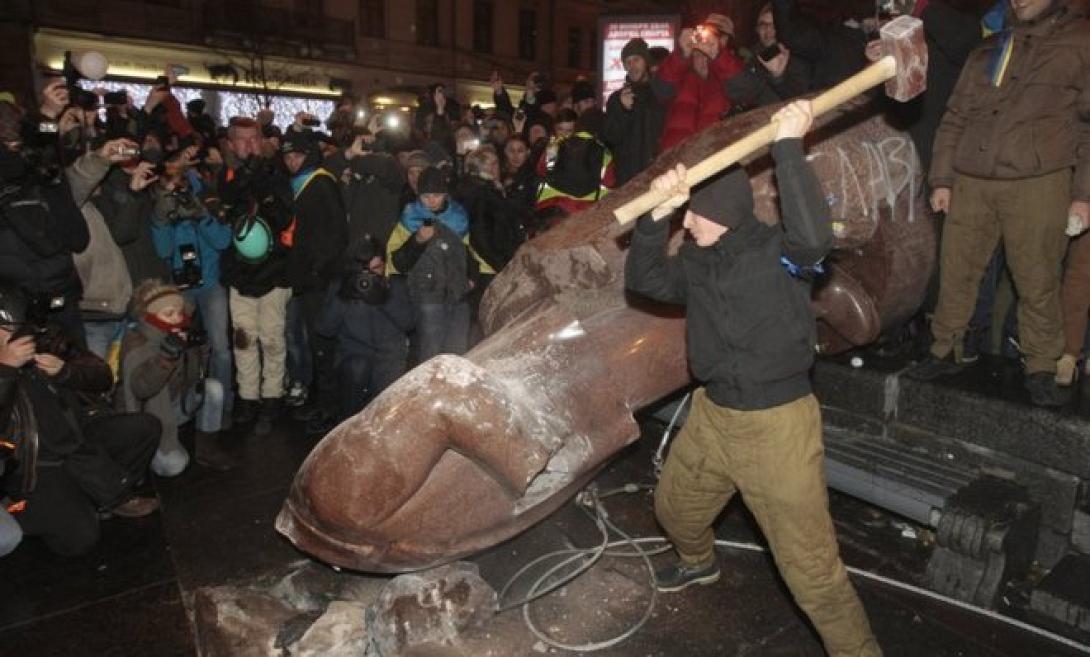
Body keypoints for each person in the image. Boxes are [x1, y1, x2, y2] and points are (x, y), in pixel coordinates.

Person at [624, 99, 881, 657]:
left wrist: (789, 145)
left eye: (694, 212)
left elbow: (814, 239)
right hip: (715, 414)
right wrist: (655, 216)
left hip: (777, 427)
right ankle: (698, 564)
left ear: (724, 213)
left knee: (812, 573)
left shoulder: (780, 255)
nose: (687, 222)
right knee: (675, 509)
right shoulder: (696, 259)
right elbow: (644, 280)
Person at [907, 0, 1090, 408]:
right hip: (973, 177)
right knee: (956, 270)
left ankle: (1040, 364)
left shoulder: (1081, 41)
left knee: (1037, 277)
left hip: (1039, 180)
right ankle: (945, 348)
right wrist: (942, 178)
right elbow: (955, 117)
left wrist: (1083, 195)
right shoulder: (988, 48)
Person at [0, 285, 160, 556]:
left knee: (144, 428)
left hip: (79, 437)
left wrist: (66, 371)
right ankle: (36, 509)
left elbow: (102, 376)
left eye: (16, 327)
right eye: (5, 329)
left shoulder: (43, 336)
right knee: (80, 539)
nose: (13, 336)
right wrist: (5, 370)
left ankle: (100, 496)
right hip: (35, 465)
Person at [213, 116, 294, 434]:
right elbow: (225, 204)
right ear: (230, 143)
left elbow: (285, 216)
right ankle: (248, 398)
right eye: (242, 139)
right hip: (239, 273)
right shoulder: (226, 176)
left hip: (273, 271)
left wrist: (263, 184)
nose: (249, 145)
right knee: (243, 339)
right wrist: (245, 178)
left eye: (253, 138)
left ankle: (272, 397)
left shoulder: (276, 173)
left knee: (272, 338)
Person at [150, 147, 234, 423]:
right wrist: (163, 218)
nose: (176, 182)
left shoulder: (206, 196)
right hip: (181, 288)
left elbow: (223, 241)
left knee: (221, 348)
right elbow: (163, 251)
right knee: (178, 345)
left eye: (179, 174)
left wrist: (200, 216)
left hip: (210, 283)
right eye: (170, 176)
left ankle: (222, 407)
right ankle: (180, 406)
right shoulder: (161, 203)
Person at [116, 280, 234, 473]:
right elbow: (141, 390)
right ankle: (154, 449)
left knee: (213, 388)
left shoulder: (180, 332)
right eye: (168, 314)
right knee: (174, 466)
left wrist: (200, 351)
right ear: (149, 315)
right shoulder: (137, 343)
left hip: (178, 402)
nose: (176, 318)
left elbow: (196, 376)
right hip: (150, 417)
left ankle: (207, 448)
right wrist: (166, 357)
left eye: (179, 312)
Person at [0, 88, 89, 343]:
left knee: (77, 373)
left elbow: (78, 238)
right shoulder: (20, 174)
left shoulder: (45, 175)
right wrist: (45, 117)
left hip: (61, 296)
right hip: (18, 307)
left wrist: (47, 118)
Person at [280, 127, 348, 434]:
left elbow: (334, 234)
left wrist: (319, 270)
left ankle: (330, 409)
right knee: (313, 344)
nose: (292, 161)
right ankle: (323, 402)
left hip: (318, 281)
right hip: (308, 278)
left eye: (297, 156)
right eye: (288, 157)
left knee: (323, 345)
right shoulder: (301, 183)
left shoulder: (320, 183)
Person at [387, 166, 476, 363]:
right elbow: (398, 261)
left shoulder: (458, 217)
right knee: (431, 353)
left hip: (458, 295)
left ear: (446, 194)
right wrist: (417, 240)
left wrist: (471, 277)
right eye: (426, 196)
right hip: (427, 297)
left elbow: (468, 253)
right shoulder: (410, 218)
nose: (432, 201)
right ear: (419, 194)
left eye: (437, 195)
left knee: (458, 353)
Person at [316, 238, 413, 420]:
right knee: (358, 368)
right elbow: (324, 329)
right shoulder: (342, 287)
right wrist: (343, 297)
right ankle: (346, 424)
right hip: (354, 359)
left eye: (376, 269)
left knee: (387, 417)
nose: (369, 276)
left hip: (389, 360)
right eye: (365, 270)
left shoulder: (396, 286)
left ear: (384, 265)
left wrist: (384, 297)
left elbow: (409, 323)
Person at [656, 14, 746, 151]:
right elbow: (660, 89)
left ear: (728, 41)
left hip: (716, 161)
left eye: (720, 36)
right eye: (698, 55)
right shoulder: (681, 74)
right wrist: (681, 53)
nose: (703, 58)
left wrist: (719, 56)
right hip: (676, 160)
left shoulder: (732, 72)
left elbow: (746, 89)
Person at [603, 38, 668, 187]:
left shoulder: (661, 94)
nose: (632, 66)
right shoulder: (616, 98)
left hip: (659, 176)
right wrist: (623, 109)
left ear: (646, 62)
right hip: (628, 180)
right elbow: (610, 137)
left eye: (636, 60)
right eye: (628, 62)